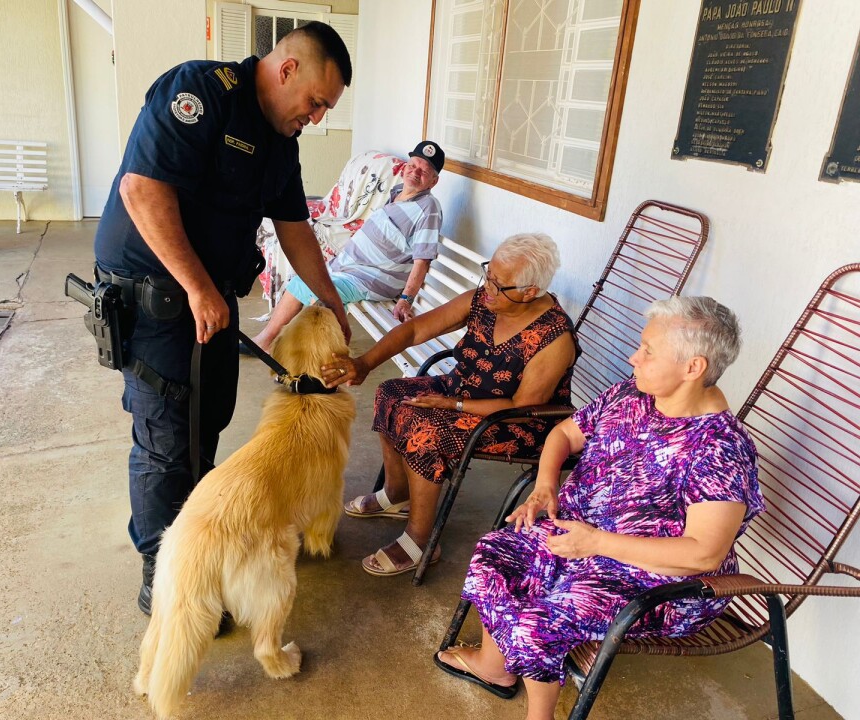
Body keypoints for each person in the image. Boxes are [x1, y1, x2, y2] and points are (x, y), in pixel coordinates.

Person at [92, 22, 353, 615]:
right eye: (316, 102)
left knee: (206, 423)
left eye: (326, 110)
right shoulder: (201, 92)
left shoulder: (281, 144)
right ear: (287, 69)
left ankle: (198, 556)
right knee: (165, 439)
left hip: (208, 298)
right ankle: (165, 580)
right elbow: (142, 192)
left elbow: (295, 229)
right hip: (157, 296)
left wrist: (331, 297)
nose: (316, 118)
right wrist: (197, 286)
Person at [434, 296, 763, 718]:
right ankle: (493, 667)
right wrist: (545, 486)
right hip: (579, 535)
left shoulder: (719, 448)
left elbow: (703, 552)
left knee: (538, 620)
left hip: (653, 580)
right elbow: (564, 436)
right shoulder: (632, 394)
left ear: (692, 367)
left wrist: (596, 543)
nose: (634, 357)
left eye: (648, 351)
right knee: (496, 554)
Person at [322, 233, 580, 576]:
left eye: (499, 285)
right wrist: (366, 362)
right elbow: (415, 331)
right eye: (488, 275)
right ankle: (397, 493)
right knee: (391, 392)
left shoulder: (554, 337)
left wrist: (451, 404)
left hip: (516, 421)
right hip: (461, 390)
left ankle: (420, 540)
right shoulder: (483, 300)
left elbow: (522, 404)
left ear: (530, 292)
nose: (488, 287)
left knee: (425, 428)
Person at [247, 140, 446, 352]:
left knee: (310, 287)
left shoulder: (428, 208)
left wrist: (406, 300)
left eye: (424, 171)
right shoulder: (397, 192)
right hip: (351, 267)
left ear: (433, 181)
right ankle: (280, 341)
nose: (415, 172)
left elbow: (422, 261)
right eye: (413, 165)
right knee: (306, 279)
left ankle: (267, 341)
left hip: (372, 279)